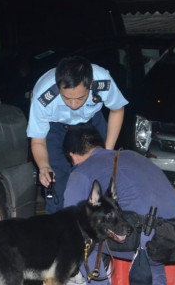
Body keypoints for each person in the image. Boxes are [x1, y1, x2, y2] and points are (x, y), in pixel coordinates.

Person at [62, 123, 175, 285]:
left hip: (140, 237)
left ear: (73, 155)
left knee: (79, 236)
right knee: (149, 237)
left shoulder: (81, 171)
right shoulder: (134, 156)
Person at [27, 55, 128, 213]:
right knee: (56, 181)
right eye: (67, 98)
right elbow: (38, 141)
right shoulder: (43, 96)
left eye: (80, 98)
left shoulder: (103, 82)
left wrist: (106, 152)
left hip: (91, 123)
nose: (73, 104)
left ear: (90, 85)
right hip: (56, 129)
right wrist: (44, 167)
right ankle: (57, 229)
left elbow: (117, 110)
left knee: (97, 178)